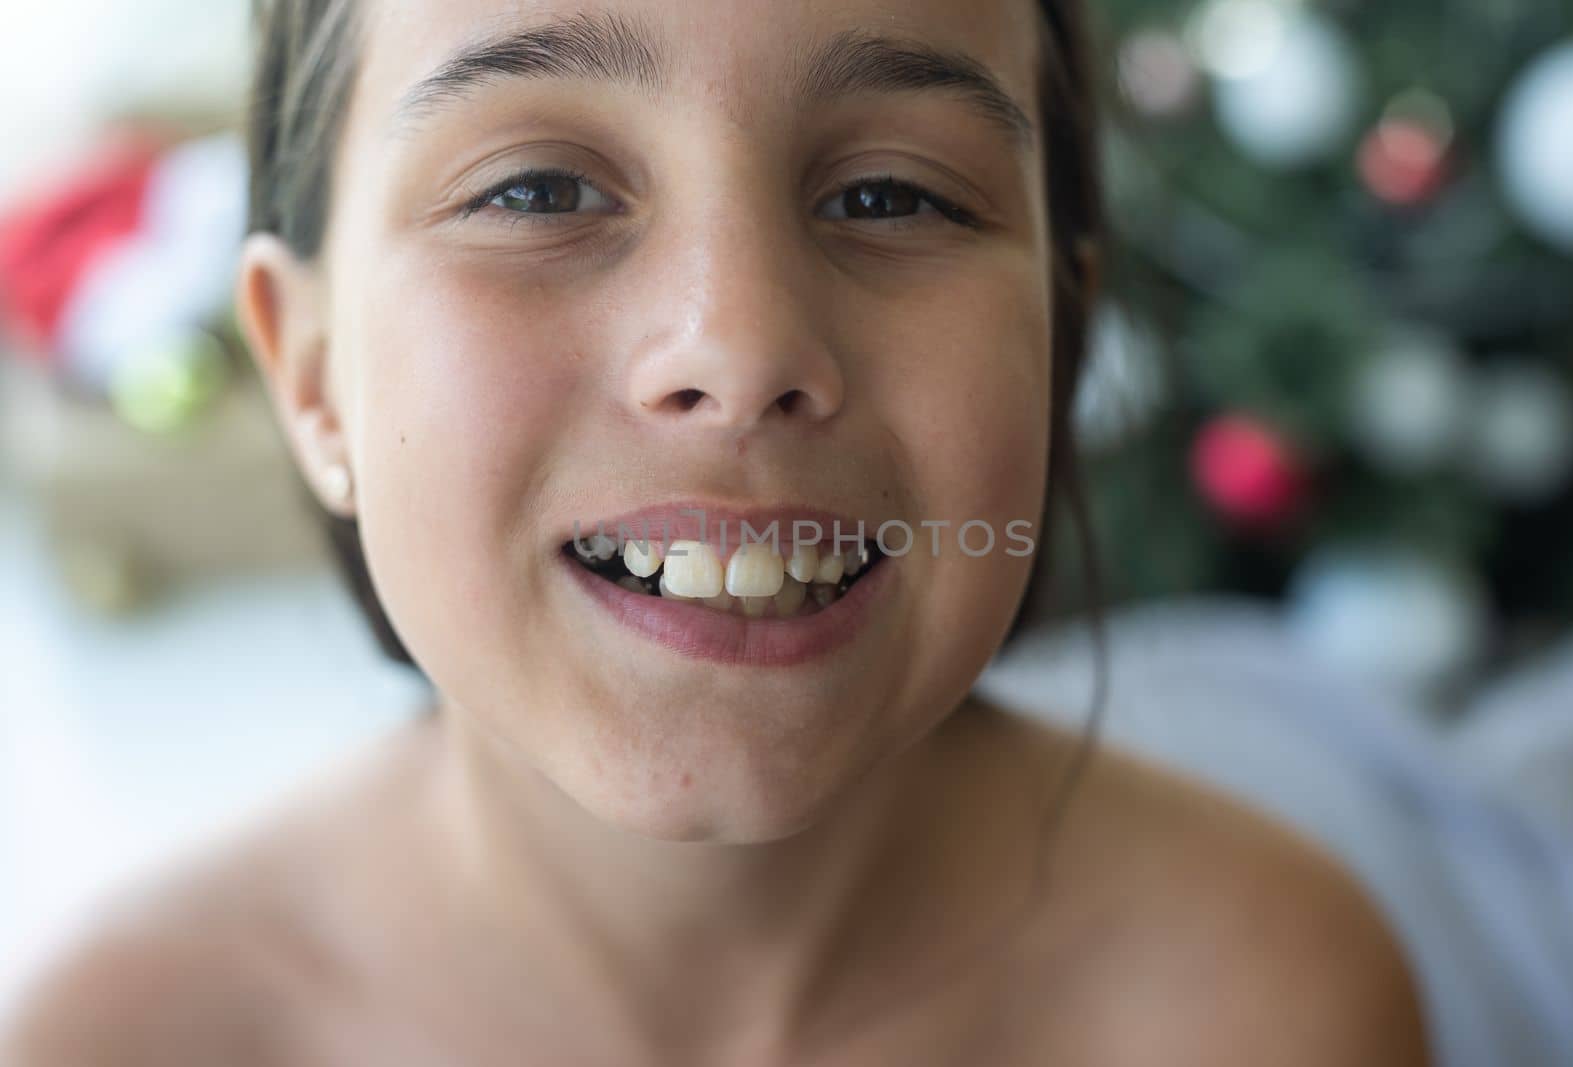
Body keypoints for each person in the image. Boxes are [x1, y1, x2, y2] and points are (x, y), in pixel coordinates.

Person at [2, 0, 1431, 1063]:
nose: (739, 344)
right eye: (537, 191)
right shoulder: (130, 1041)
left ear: (1059, 346)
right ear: (310, 376)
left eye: (893, 195)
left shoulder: (1261, 1004)